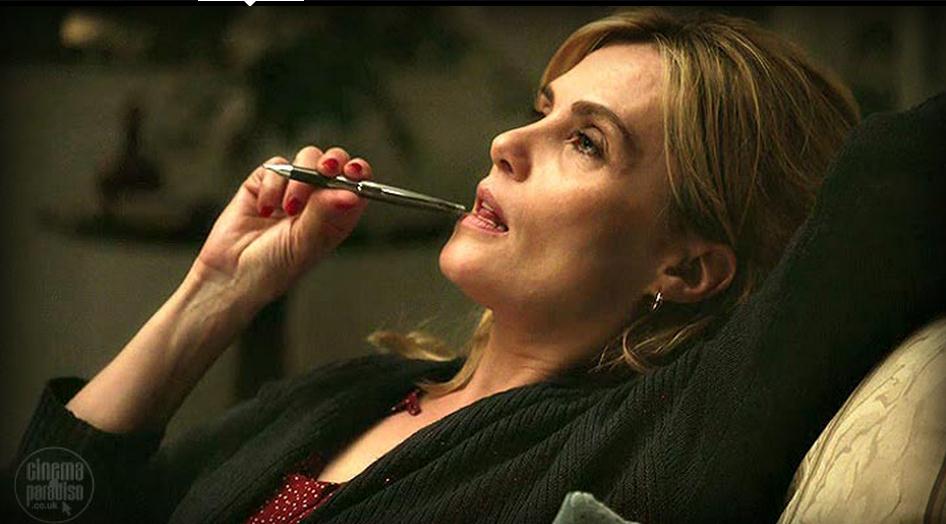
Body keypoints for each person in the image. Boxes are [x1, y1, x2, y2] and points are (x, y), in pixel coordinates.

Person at [8, 7, 945, 523]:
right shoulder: (349, 394)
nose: (506, 143)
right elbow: (52, 501)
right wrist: (213, 294)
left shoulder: (648, 434)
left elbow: (896, 177)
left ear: (688, 270)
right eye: (542, 109)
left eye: (586, 142)